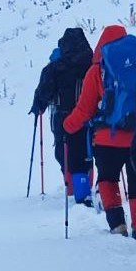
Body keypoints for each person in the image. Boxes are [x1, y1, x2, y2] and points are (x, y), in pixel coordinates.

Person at [63, 24, 136, 237]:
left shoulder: (97, 70)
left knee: (108, 179)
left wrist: (67, 126)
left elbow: (85, 109)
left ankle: (118, 224)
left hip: (106, 139)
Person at [29, 28, 94, 206]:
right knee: (87, 152)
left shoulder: (56, 67)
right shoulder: (94, 63)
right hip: (91, 116)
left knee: (64, 152)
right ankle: (86, 185)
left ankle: (74, 189)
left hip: (64, 118)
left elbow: (44, 92)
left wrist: (38, 106)